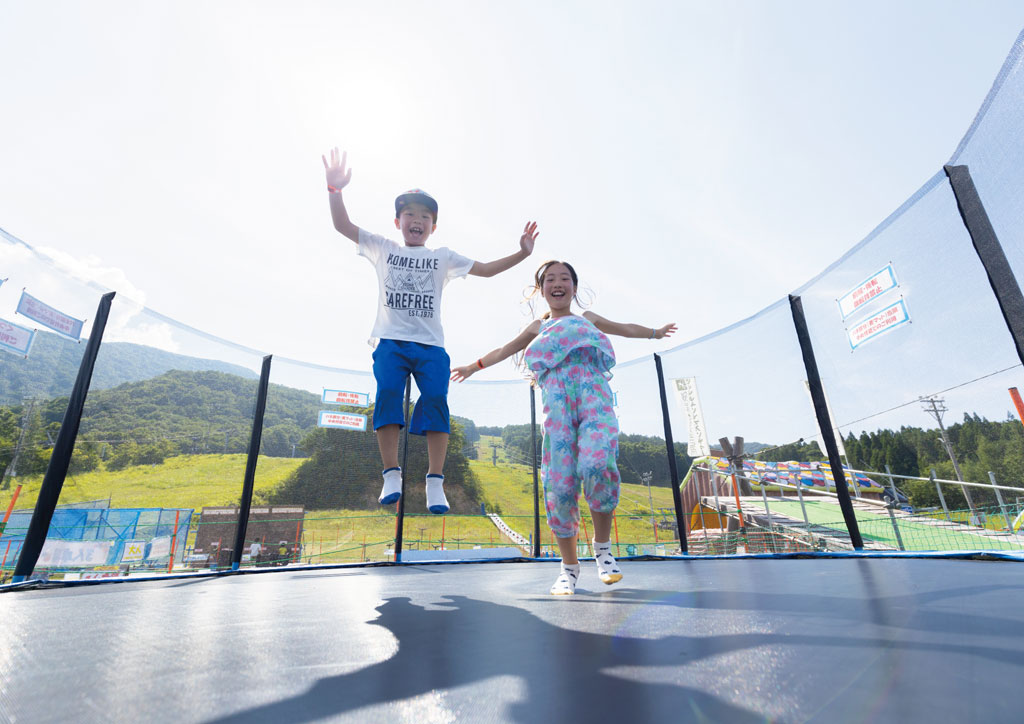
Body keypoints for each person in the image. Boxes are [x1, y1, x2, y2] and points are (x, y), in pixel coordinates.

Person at [323, 148, 539, 514]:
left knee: (437, 398)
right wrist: (335, 189)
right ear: (398, 221)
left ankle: (434, 480)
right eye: (410, 214)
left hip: (430, 346)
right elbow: (342, 225)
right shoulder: (383, 248)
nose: (417, 220)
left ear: (433, 226)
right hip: (391, 341)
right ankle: (391, 473)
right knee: (389, 393)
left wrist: (523, 254)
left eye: (425, 216)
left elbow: (486, 269)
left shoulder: (443, 257)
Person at [452, 260, 676, 595]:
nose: (558, 283)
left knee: (598, 464)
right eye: (550, 279)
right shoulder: (537, 327)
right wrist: (473, 366)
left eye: (565, 278)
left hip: (594, 398)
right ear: (541, 290)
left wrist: (655, 332)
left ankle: (602, 549)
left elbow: (624, 328)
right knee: (559, 485)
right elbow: (505, 349)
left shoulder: (588, 318)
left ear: (574, 286)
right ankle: (569, 567)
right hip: (557, 407)